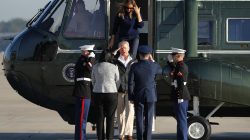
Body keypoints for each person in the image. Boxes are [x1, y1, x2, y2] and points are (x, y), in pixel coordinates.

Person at [128, 45, 162, 140]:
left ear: (139, 55)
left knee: (139, 118)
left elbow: (130, 83)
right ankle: (147, 138)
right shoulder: (154, 66)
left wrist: (131, 97)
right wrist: (153, 61)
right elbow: (161, 70)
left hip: (138, 95)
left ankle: (139, 138)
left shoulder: (134, 66)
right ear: (149, 55)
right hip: (151, 95)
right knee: (149, 118)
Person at [91, 50, 120, 140]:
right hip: (111, 93)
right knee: (110, 117)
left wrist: (97, 86)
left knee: (99, 117)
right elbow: (118, 81)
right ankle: (110, 137)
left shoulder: (95, 67)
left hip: (98, 93)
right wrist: (114, 88)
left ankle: (100, 137)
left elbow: (93, 80)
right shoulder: (114, 67)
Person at [73, 44, 95, 140]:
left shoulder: (83, 60)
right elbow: (89, 68)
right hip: (83, 91)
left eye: (85, 52)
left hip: (83, 91)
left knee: (81, 119)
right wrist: (90, 59)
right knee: (81, 119)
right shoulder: (83, 60)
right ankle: (81, 138)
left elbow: (89, 69)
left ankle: (80, 137)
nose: (83, 52)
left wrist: (90, 59)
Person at [167, 48, 191, 140]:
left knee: (182, 121)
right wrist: (169, 61)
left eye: (173, 56)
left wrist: (179, 97)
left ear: (178, 56)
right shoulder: (178, 66)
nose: (172, 57)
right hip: (179, 96)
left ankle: (183, 138)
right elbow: (174, 69)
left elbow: (181, 83)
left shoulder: (181, 67)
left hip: (180, 96)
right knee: (180, 120)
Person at [114, 41, 135, 140]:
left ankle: (129, 133)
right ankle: (121, 134)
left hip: (131, 91)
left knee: (130, 112)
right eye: (121, 47)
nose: (123, 49)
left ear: (129, 48)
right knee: (120, 113)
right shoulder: (115, 60)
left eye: (125, 47)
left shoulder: (134, 61)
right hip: (119, 90)